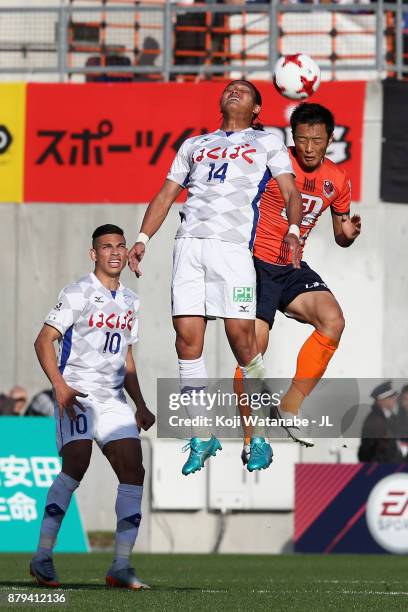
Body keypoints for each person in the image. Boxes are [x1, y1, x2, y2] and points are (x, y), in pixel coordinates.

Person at [128, 80, 303, 476]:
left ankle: (257, 434)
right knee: (186, 340)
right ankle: (201, 434)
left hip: (232, 250)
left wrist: (293, 228)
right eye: (229, 88)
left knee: (242, 339)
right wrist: (142, 238)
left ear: (257, 107)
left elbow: (289, 191)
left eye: (243, 89)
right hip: (188, 245)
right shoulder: (194, 145)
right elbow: (165, 195)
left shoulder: (269, 141)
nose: (234, 91)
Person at [234, 102, 362, 469]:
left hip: (290, 266)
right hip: (254, 263)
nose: (308, 148)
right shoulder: (273, 161)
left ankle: (289, 406)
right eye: (302, 139)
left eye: (316, 141)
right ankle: (250, 439)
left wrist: (348, 234)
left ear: (329, 140)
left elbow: (340, 235)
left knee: (333, 320)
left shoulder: (337, 180)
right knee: (252, 351)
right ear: (292, 138)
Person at [30, 224, 155, 590]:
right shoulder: (77, 293)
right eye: (106, 247)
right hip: (78, 394)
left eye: (119, 246)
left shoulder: (131, 300)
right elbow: (44, 341)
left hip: (114, 399)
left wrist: (141, 404)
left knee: (134, 469)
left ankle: (120, 566)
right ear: (94, 254)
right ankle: (43, 556)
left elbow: (126, 358)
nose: (114, 252)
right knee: (77, 463)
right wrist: (61, 387)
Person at [358, 381, 403, 463]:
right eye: (391, 397)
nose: (394, 399)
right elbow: (379, 453)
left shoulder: (388, 417)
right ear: (381, 401)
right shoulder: (375, 422)